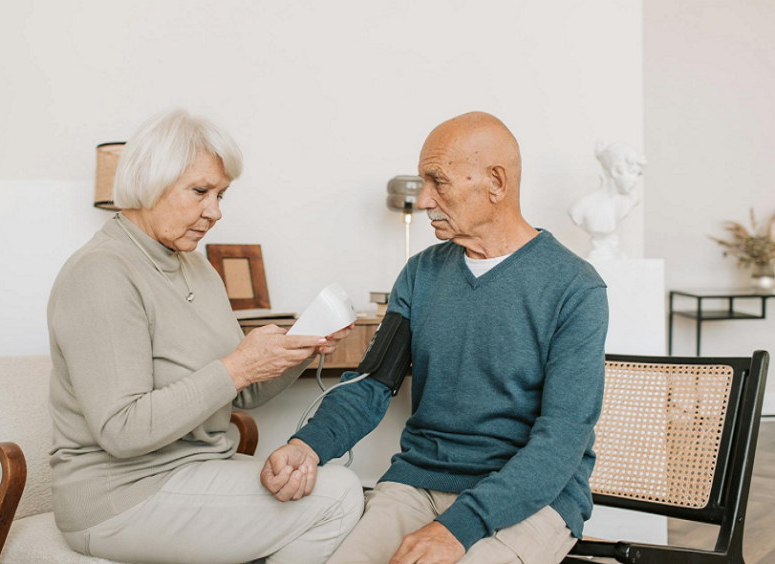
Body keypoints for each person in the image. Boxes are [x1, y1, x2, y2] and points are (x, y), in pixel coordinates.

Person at [261, 112, 609, 564]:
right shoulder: (420, 273)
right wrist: (308, 444)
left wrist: (458, 528)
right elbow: (370, 385)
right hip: (419, 484)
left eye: (438, 181)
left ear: (496, 182)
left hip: (531, 498)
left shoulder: (575, 287)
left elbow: (560, 441)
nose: (424, 199)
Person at [47, 108, 363, 564]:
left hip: (197, 470)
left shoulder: (196, 266)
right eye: (200, 191)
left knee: (321, 485)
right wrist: (238, 367)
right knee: (340, 496)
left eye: (221, 195)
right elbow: (121, 430)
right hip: (122, 495)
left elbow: (243, 393)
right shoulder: (101, 272)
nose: (215, 212)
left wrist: (298, 350)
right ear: (150, 180)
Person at [567, 141, 647, 260]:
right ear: (615, 171)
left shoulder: (632, 198)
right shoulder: (581, 207)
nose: (634, 180)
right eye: (631, 172)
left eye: (637, 174)